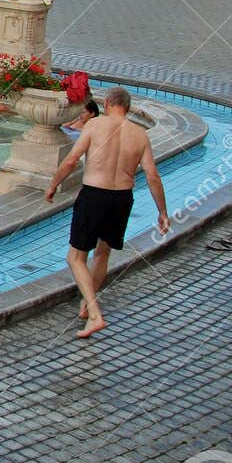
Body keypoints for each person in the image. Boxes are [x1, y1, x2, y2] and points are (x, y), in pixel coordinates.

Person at [45, 86, 170, 339]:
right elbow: (152, 175)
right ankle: (85, 305)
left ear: (107, 102)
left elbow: (71, 160)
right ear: (128, 106)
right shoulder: (140, 134)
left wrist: (53, 185)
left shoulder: (95, 125)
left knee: (75, 258)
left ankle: (94, 314)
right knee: (103, 252)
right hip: (122, 198)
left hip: (94, 195)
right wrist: (163, 212)